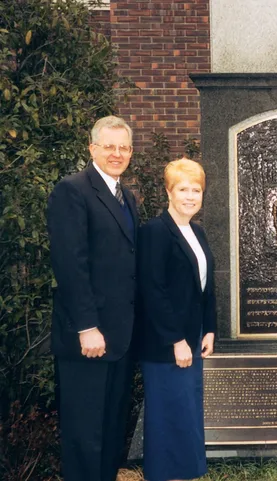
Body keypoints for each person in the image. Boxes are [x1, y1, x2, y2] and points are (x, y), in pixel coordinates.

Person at [47, 115, 138, 481]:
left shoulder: (126, 196)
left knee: (110, 432)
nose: (117, 154)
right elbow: (70, 265)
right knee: (86, 436)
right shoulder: (72, 190)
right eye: (108, 146)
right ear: (92, 149)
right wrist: (87, 326)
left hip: (121, 337)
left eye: (123, 147)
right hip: (89, 338)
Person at [137, 157, 216, 481]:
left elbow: (207, 286)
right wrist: (176, 340)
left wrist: (209, 328)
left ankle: (184, 474)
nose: (190, 196)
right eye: (182, 189)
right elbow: (152, 290)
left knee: (187, 410)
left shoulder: (196, 231)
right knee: (168, 411)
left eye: (195, 190)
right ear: (168, 192)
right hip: (166, 342)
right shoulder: (155, 231)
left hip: (192, 335)